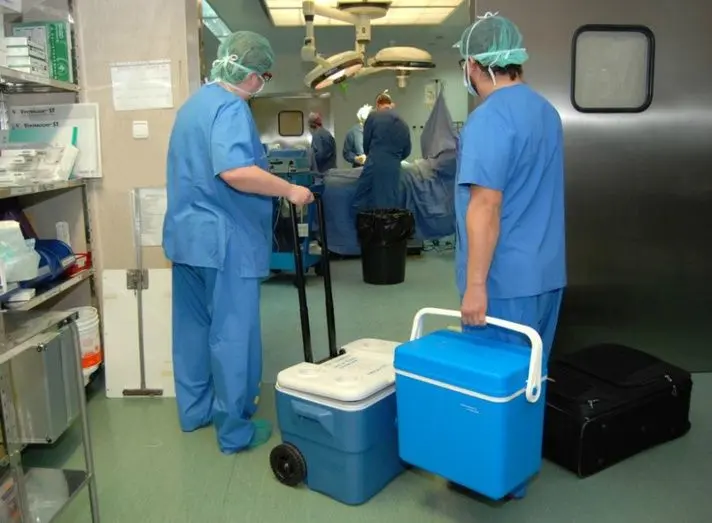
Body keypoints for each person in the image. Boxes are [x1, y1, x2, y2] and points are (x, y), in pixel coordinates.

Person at [162, 31, 314, 455]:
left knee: (192, 329)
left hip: (187, 239)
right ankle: (234, 431)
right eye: (263, 76)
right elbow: (235, 171)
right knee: (232, 334)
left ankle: (194, 412)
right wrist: (289, 189)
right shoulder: (231, 107)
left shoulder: (193, 105)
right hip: (225, 243)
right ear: (250, 75)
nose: (260, 83)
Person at [455, 13, 566, 366]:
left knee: (494, 384)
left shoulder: (489, 118)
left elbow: (485, 205)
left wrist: (475, 286)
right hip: (546, 275)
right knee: (530, 381)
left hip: (503, 284)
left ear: (473, 65)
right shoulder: (546, 111)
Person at [353, 91, 412, 211]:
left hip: (374, 162)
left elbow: (366, 144)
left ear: (378, 105)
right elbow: (407, 150)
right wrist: (394, 159)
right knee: (390, 203)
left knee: (361, 198)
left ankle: (364, 222)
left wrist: (371, 156)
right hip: (394, 167)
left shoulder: (373, 116)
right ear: (390, 104)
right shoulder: (403, 123)